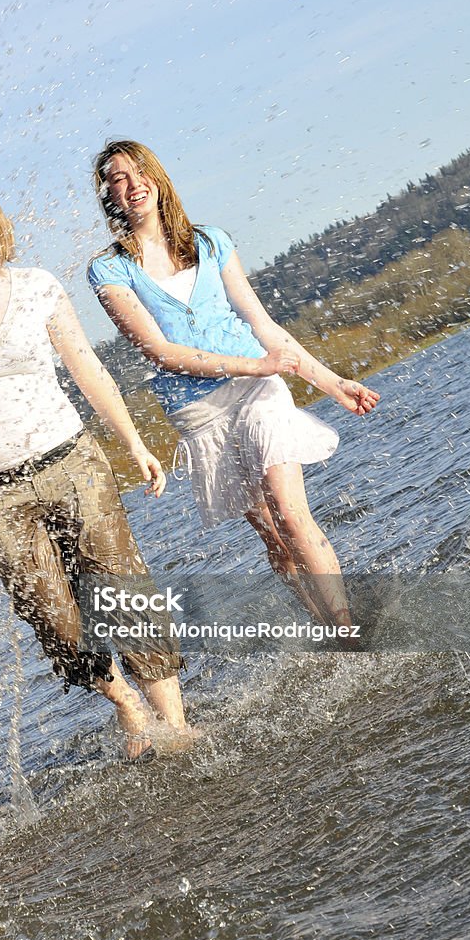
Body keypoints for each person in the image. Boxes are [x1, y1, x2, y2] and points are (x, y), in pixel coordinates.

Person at [0, 174, 194, 758]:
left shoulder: (37, 286)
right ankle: (126, 704)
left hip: (73, 462)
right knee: (54, 619)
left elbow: (88, 370)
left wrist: (133, 443)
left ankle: (177, 728)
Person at [88, 140, 381, 640]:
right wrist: (255, 363)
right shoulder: (109, 271)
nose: (132, 183)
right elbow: (160, 351)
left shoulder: (212, 241)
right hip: (199, 411)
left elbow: (261, 323)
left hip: (257, 389)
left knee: (291, 514)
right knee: (272, 535)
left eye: (139, 172)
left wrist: (331, 383)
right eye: (118, 178)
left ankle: (348, 633)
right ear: (109, 196)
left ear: (157, 179)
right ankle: (325, 631)